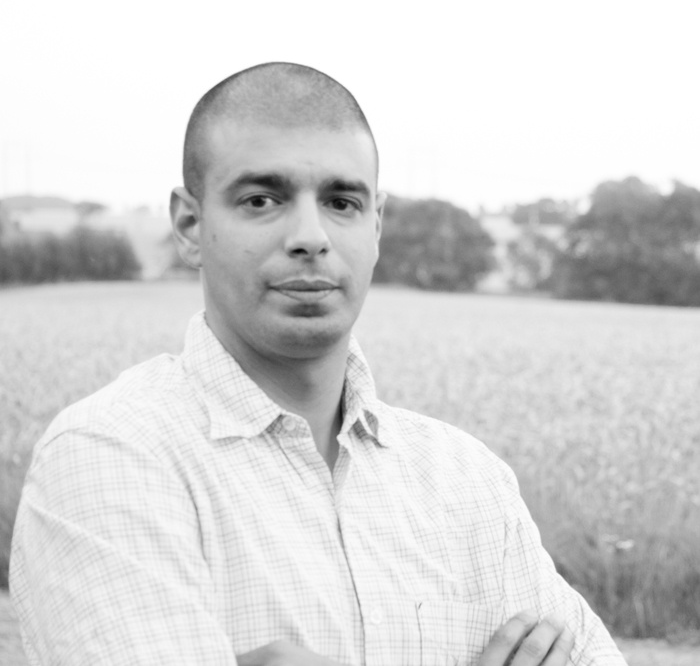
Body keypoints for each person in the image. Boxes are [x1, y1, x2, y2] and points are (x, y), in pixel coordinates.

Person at [10, 62, 627, 665]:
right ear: (190, 225)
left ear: (376, 225)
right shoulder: (109, 458)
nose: (311, 236)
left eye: (341, 201)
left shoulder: (469, 484)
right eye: (261, 199)